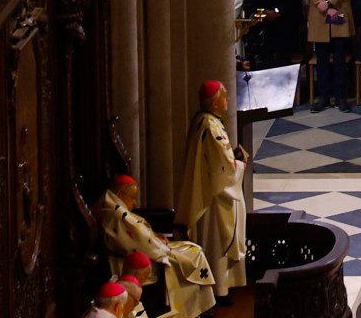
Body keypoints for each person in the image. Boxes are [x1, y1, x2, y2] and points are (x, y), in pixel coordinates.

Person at [95, 174, 218, 318]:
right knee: (194, 254)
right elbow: (140, 242)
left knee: (193, 250)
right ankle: (193, 309)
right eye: (133, 197)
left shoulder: (110, 205)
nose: (135, 203)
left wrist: (154, 236)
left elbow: (137, 237)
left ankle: (197, 308)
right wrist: (158, 244)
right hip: (139, 258)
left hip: (146, 251)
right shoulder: (117, 213)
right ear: (120, 194)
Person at [176, 80, 249, 295]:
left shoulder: (202, 120)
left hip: (208, 192)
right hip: (216, 197)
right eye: (224, 96)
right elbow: (223, 168)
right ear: (215, 103)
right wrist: (240, 162)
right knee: (218, 242)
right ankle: (218, 289)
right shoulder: (211, 126)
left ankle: (218, 288)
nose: (228, 99)